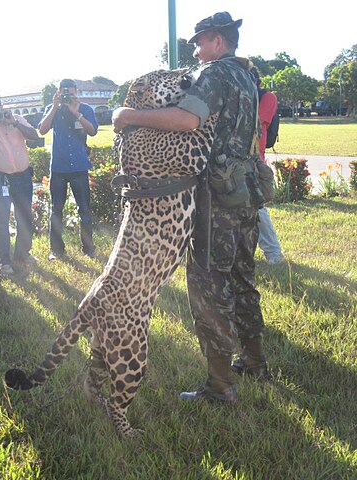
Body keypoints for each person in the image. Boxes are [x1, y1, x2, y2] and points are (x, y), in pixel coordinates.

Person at [112, 11, 269, 402]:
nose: (196, 51)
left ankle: (220, 387)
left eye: (200, 42)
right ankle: (254, 362)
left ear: (218, 41)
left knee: (208, 286)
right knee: (242, 281)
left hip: (214, 197)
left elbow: (186, 120)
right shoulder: (246, 76)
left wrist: (127, 115)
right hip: (245, 191)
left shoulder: (214, 74)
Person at [39, 79, 98, 260]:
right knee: (56, 210)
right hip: (59, 168)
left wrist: (76, 113)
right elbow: (42, 130)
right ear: (59, 92)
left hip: (79, 166)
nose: (68, 96)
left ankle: (88, 249)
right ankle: (56, 250)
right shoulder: (53, 108)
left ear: (76, 92)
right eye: (64, 93)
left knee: (84, 210)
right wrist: (55, 106)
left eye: (71, 93)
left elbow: (93, 131)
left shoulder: (85, 108)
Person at [0, 95, 40, 275]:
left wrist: (14, 123)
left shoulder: (17, 119)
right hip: (1, 179)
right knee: (1, 220)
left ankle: (22, 255)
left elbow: (34, 137)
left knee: (25, 217)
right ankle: (4, 261)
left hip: (22, 177)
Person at [253, 68, 285, 265]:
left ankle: (274, 254)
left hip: (254, 159)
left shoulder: (267, 97)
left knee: (257, 207)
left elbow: (256, 126)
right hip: (231, 161)